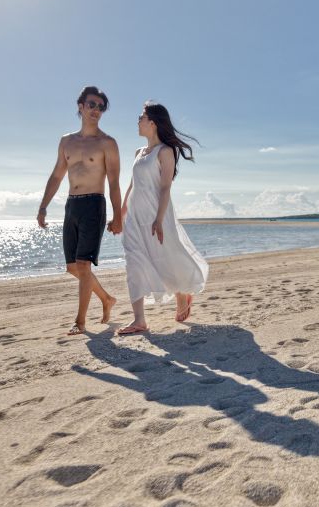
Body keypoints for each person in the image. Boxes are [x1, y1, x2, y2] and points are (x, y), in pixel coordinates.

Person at [117, 101, 208, 335]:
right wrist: (121, 211)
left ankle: (182, 294)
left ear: (153, 123)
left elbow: (165, 188)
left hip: (156, 214)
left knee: (165, 257)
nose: (137, 120)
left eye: (141, 116)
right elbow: (131, 184)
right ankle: (139, 320)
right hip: (135, 216)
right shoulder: (139, 152)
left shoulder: (165, 152)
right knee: (133, 262)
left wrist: (159, 219)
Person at [37, 86, 122, 335]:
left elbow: (114, 182)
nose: (96, 110)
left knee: (84, 265)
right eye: (92, 104)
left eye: (100, 107)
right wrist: (43, 206)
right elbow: (56, 175)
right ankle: (106, 298)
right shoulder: (67, 141)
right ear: (81, 106)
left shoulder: (107, 143)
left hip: (94, 204)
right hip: (72, 205)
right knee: (73, 267)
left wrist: (118, 216)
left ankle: (80, 322)